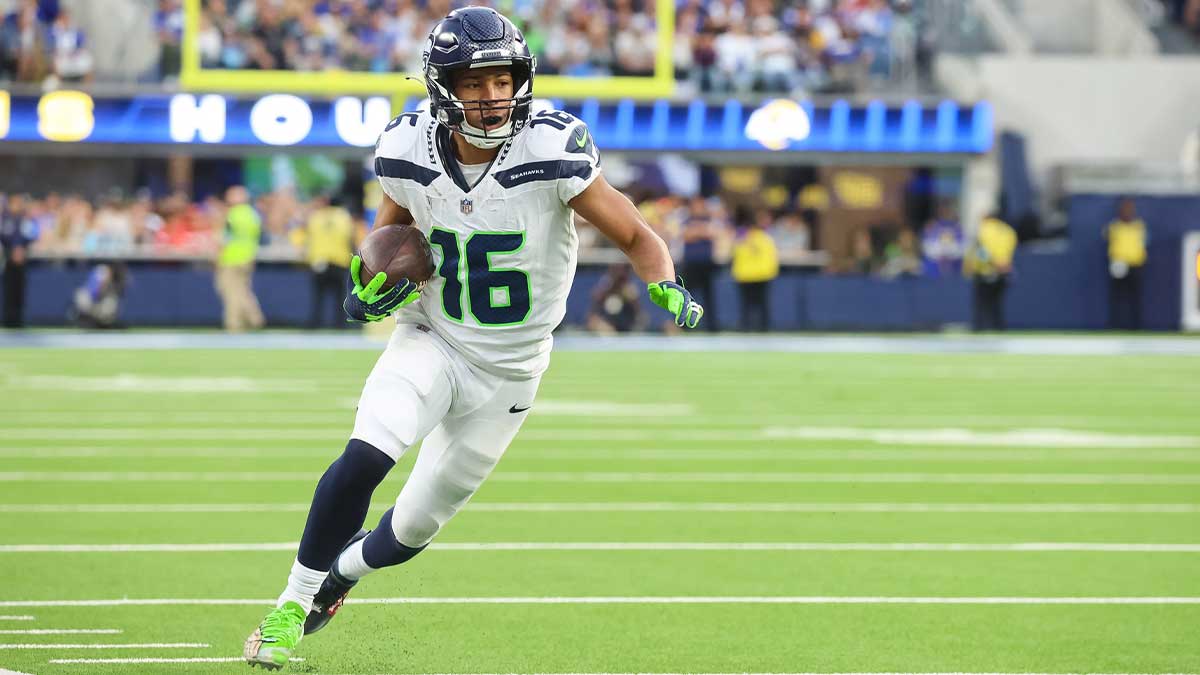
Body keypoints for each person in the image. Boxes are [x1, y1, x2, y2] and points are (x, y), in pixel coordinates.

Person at [242, 8, 704, 670]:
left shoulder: (549, 148)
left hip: (511, 370)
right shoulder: (406, 148)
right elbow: (387, 236)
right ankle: (290, 604)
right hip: (432, 335)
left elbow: (634, 232)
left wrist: (664, 282)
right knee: (368, 455)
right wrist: (364, 283)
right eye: (474, 82)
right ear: (443, 86)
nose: (492, 96)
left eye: (502, 80)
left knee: (411, 528)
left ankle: (339, 576)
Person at [295, 195, 361, 329]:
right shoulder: (343, 216)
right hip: (339, 260)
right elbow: (350, 237)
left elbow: (304, 238)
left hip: (319, 261)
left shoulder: (315, 217)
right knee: (340, 297)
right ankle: (340, 325)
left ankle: (315, 324)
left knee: (318, 297)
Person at [215, 185, 265, 332]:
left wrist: (218, 255)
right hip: (248, 256)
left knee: (230, 291)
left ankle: (237, 322)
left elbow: (224, 238)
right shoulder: (253, 215)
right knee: (242, 289)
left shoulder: (232, 214)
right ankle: (252, 318)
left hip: (231, 257)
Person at [963, 212, 1017, 331]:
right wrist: (1002, 265)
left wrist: (968, 266)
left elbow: (981, 251)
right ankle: (998, 330)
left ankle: (979, 330)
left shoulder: (984, 229)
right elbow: (1009, 252)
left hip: (984, 272)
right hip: (1003, 271)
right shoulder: (1008, 231)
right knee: (997, 305)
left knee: (980, 305)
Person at [730, 210, 779, 331]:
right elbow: (772, 257)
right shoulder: (764, 238)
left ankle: (748, 328)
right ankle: (762, 328)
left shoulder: (743, 237)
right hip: (759, 275)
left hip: (748, 275)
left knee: (749, 305)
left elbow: (734, 253)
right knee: (759, 305)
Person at [1105, 197, 1147, 330]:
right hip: (1119, 265)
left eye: (1129, 209)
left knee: (1135, 297)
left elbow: (1143, 244)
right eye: (1125, 208)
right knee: (1117, 298)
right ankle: (1115, 325)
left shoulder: (1139, 226)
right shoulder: (1114, 227)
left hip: (1135, 265)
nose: (1127, 211)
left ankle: (1136, 326)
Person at [0, 194, 36, 328]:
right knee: (9, 289)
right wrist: (12, 251)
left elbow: (32, 235)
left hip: (22, 258)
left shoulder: (25, 219)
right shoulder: (5, 219)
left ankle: (18, 319)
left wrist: (22, 249)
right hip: (9, 258)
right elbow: (4, 237)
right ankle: (8, 319)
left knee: (20, 289)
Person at [586, 263, 647, 334]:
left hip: (628, 330)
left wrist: (632, 299)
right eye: (616, 270)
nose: (620, 273)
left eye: (624, 271)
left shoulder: (632, 293)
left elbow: (641, 317)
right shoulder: (603, 291)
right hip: (607, 329)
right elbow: (592, 316)